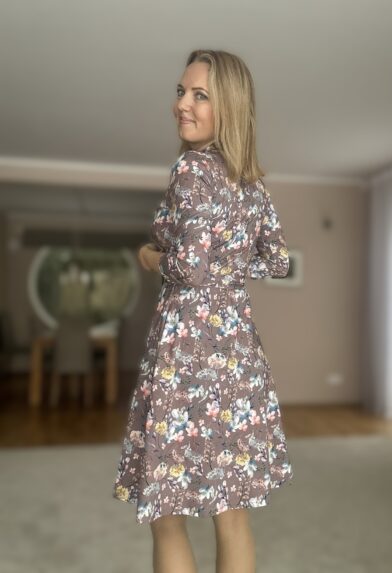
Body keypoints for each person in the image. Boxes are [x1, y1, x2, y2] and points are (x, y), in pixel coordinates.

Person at [113, 49, 293, 573]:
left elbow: (188, 268)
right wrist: (229, 272)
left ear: (228, 107)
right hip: (237, 354)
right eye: (181, 92)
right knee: (231, 514)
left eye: (200, 95)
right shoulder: (251, 184)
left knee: (167, 514)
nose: (182, 105)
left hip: (186, 355)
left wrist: (151, 256)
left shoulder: (192, 169)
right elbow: (278, 261)